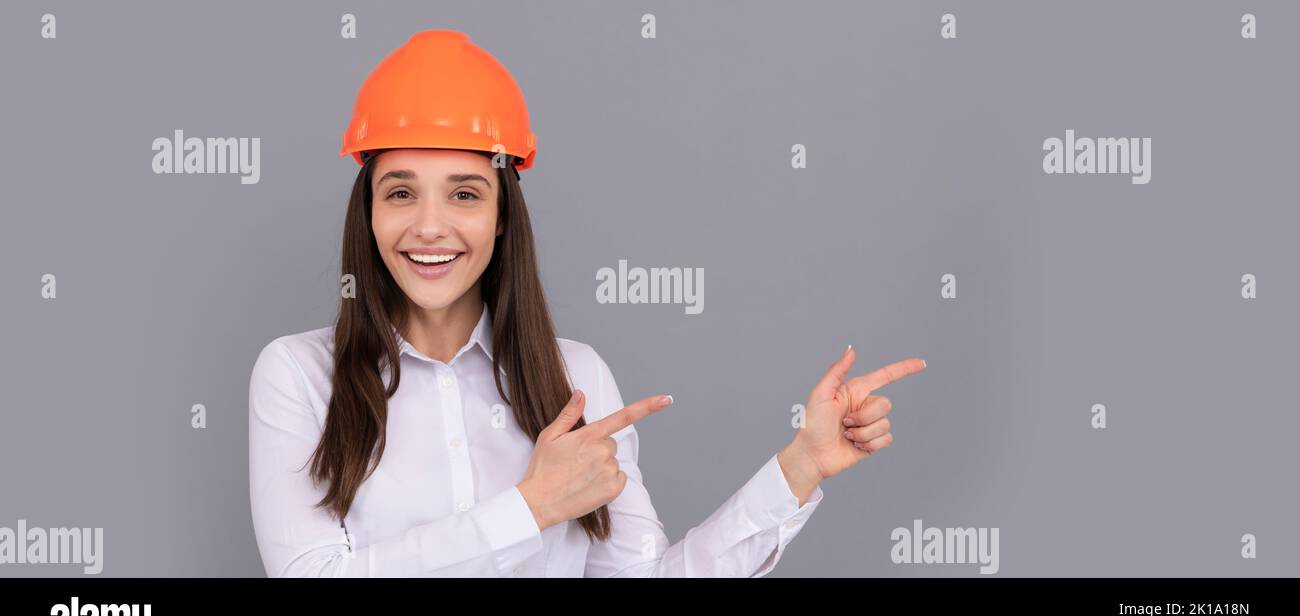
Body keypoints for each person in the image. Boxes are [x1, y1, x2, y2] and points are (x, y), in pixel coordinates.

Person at [248, 29, 925, 577]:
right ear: (367, 213)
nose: (429, 225)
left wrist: (801, 465)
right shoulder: (299, 376)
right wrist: (531, 506)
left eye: (464, 193)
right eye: (400, 192)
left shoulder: (575, 380)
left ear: (502, 216)